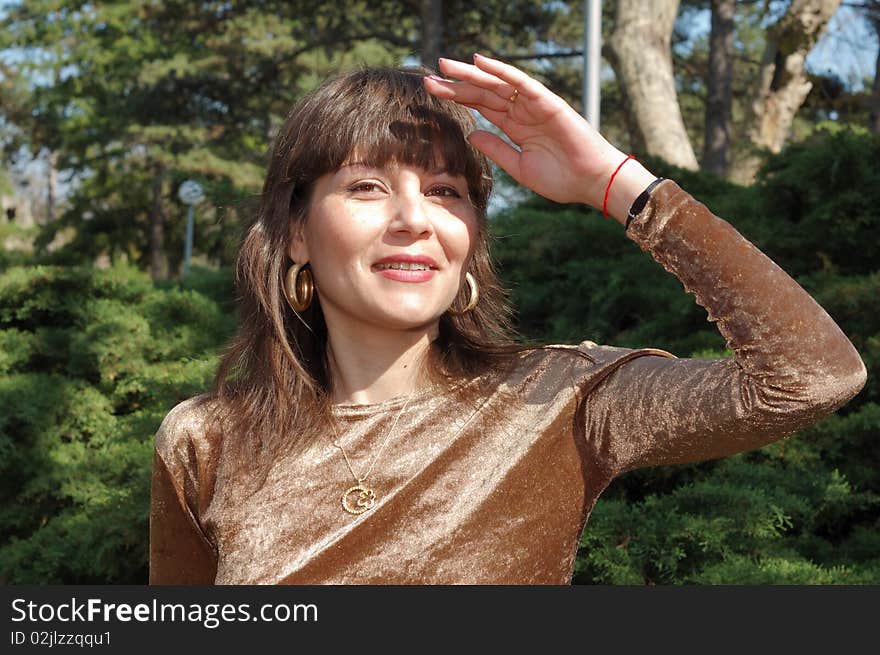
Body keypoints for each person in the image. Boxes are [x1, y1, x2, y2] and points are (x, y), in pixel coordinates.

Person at [149, 54, 867, 585]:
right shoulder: (206, 441)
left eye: (445, 191)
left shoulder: (558, 401)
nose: (414, 221)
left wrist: (619, 186)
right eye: (367, 186)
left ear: (470, 243)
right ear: (297, 233)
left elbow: (810, 376)